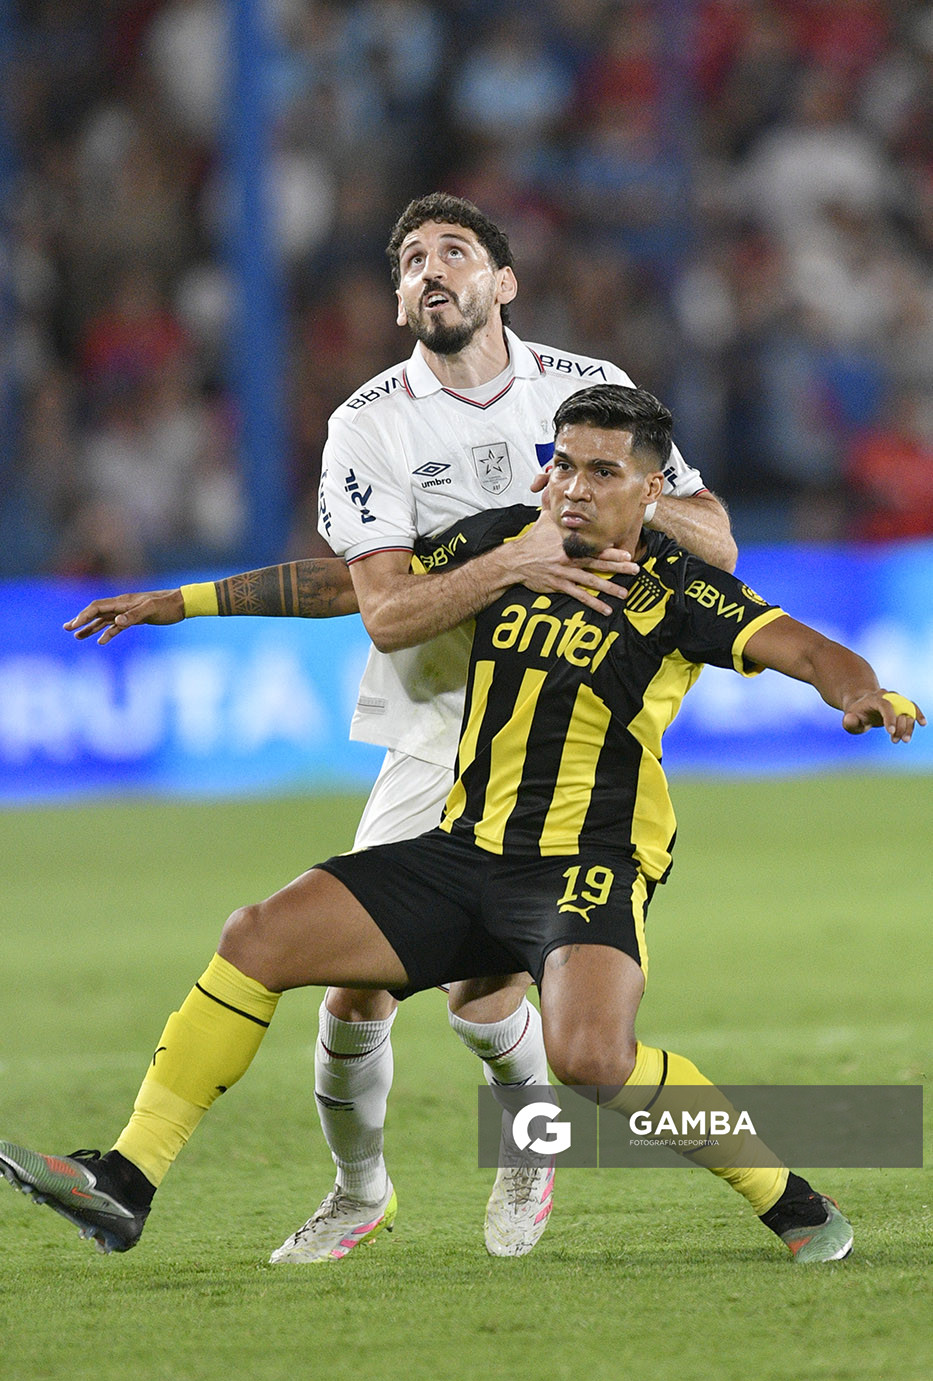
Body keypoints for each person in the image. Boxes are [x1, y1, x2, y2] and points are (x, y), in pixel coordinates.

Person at [1, 384, 923, 1266]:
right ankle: (126, 1179)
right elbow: (352, 589)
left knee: (591, 1059)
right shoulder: (503, 546)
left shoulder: (676, 589)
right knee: (255, 938)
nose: (573, 486)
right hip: (466, 848)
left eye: (603, 472)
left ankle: (790, 1200)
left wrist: (860, 693)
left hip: (582, 867)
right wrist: (182, 600)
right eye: (562, 465)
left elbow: (804, 645)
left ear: (652, 491)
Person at [63, 192, 737, 1263]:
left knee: (500, 1007)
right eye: (409, 258)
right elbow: (373, 597)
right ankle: (358, 1187)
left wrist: (602, 491)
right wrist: (187, 598)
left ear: (503, 283)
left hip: (563, 746)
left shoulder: (592, 403)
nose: (429, 268)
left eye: (454, 251)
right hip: (434, 734)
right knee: (352, 991)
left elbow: (717, 543)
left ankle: (532, 1146)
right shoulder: (369, 423)